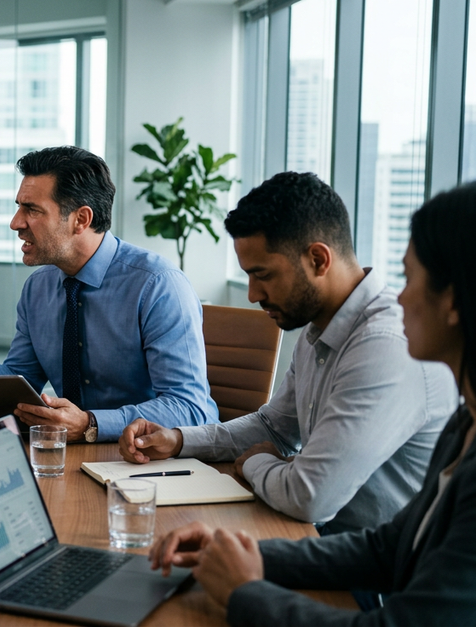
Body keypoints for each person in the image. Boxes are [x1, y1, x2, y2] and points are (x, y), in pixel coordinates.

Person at [149, 181, 476, 626]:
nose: (401, 296)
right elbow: (386, 546)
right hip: (353, 561)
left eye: (412, 278)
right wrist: (249, 556)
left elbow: (311, 498)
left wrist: (246, 591)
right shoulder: (465, 425)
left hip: (375, 593)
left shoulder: (384, 343)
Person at [119, 172, 455, 532]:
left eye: (262, 275)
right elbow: (273, 426)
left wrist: (257, 463)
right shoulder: (320, 325)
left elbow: (310, 497)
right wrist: (180, 439)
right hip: (319, 541)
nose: (252, 294)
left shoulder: (384, 345)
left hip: (371, 573)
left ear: (318, 260)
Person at [0, 146, 217, 443]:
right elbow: (21, 390)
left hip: (151, 462)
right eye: (19, 206)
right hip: (72, 455)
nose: (15, 223)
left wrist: (92, 424)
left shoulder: (159, 286)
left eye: (31, 209)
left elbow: (190, 408)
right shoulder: (38, 288)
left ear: (81, 220)